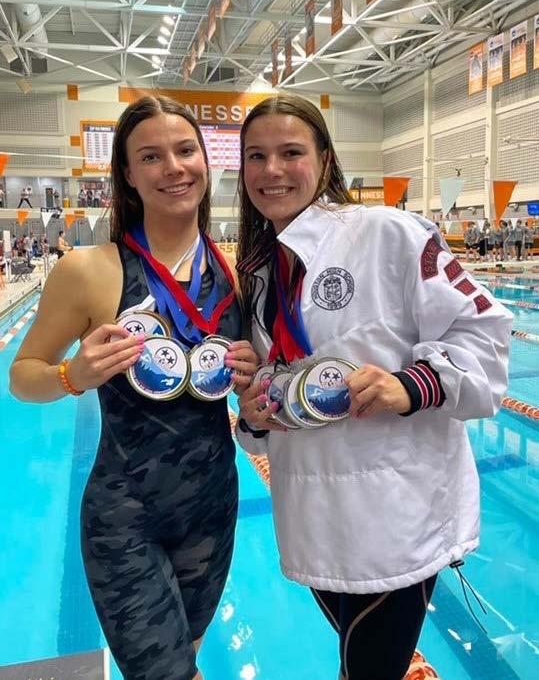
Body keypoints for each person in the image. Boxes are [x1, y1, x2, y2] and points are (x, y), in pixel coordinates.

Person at [234, 94, 513, 680]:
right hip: (311, 514)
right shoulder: (260, 268)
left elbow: (485, 331)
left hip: (396, 513)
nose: (272, 170)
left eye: (290, 152)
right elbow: (273, 375)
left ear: (325, 160)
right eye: (256, 156)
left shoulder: (389, 231)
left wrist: (412, 385)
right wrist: (257, 412)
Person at [9, 95, 258, 680]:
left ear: (205, 161)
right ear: (127, 173)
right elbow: (22, 376)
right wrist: (73, 375)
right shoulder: (89, 270)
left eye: (185, 150)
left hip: (213, 507)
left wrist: (254, 383)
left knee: (185, 656)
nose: (173, 168)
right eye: (151, 156)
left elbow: (254, 402)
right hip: (126, 517)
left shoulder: (236, 274)